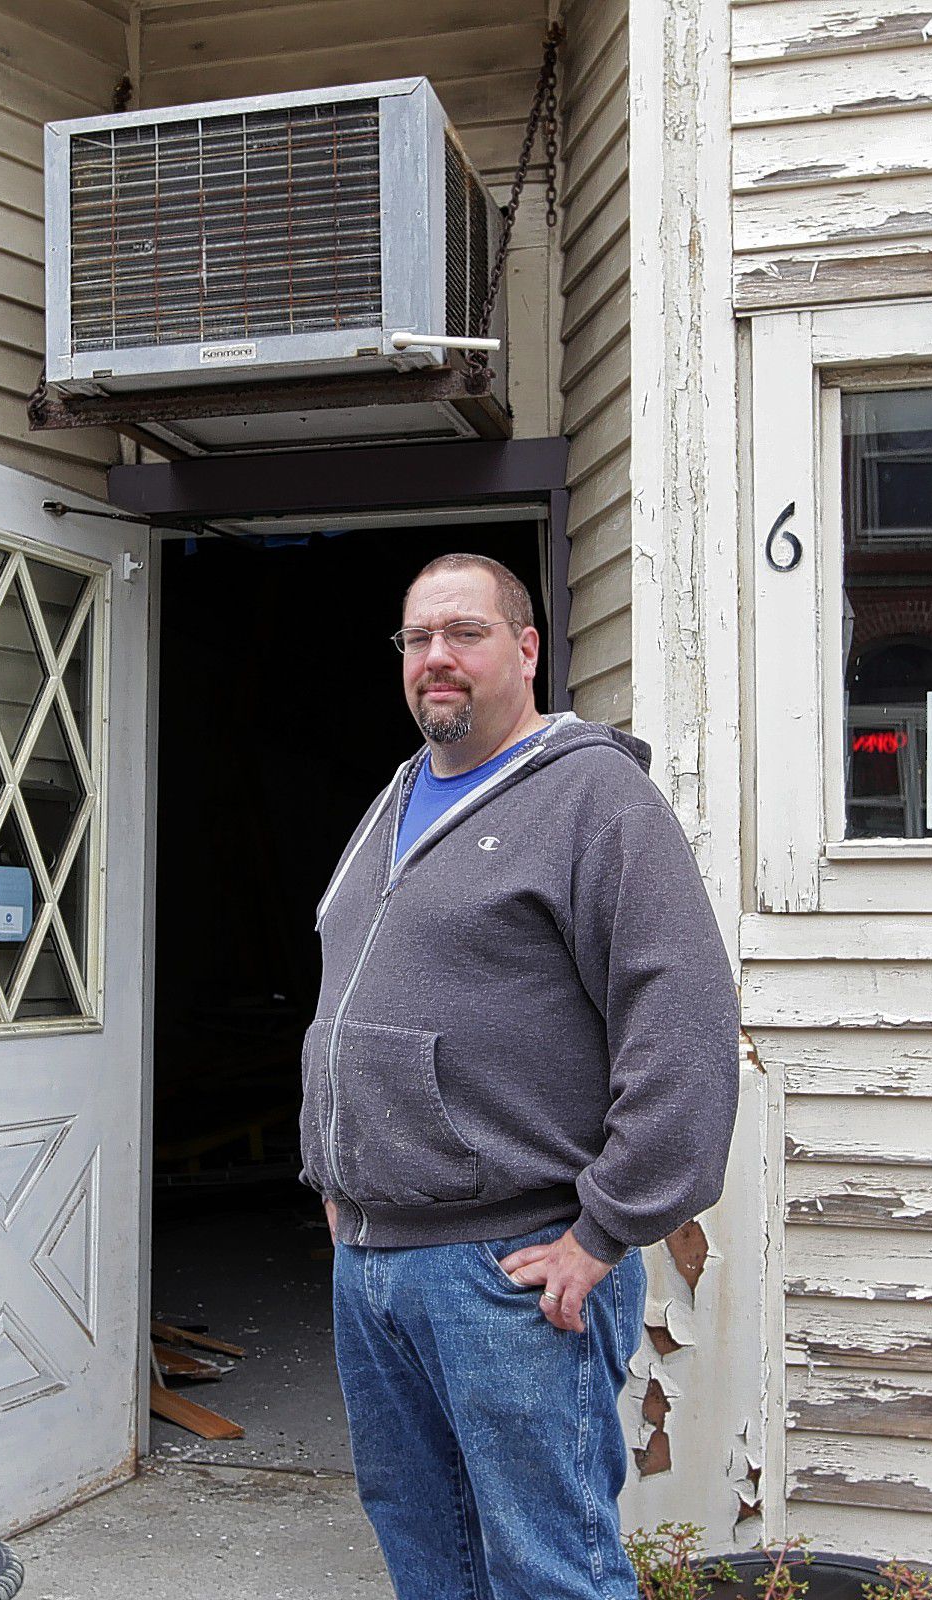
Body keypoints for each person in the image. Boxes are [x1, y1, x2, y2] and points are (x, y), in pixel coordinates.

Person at [302, 553, 740, 1600]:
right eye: (416, 639)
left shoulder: (594, 798)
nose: (436, 658)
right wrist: (336, 1172)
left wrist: (605, 1229)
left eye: (466, 632)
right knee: (430, 1554)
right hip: (374, 1262)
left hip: (510, 1268)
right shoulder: (399, 794)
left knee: (551, 1572)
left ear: (528, 647)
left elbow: (684, 1022)